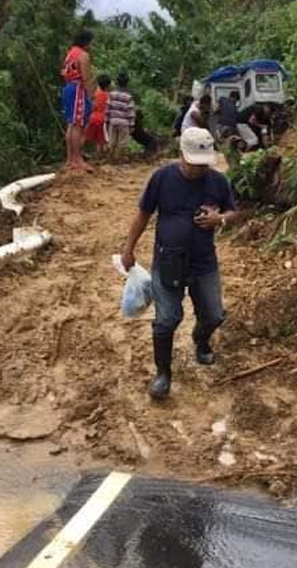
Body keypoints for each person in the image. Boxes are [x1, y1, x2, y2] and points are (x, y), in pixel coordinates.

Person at [122, 127, 238, 400]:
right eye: (192, 164)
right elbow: (143, 215)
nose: (197, 170)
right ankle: (163, 373)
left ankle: (201, 340)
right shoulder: (162, 179)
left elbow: (233, 212)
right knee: (167, 320)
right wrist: (128, 249)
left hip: (203, 262)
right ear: (180, 155)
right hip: (168, 261)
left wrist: (218, 219)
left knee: (213, 314)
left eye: (202, 165)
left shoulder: (218, 182)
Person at [60, 31, 95, 172]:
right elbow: (86, 78)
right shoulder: (83, 55)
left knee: (71, 124)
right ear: (86, 43)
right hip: (78, 89)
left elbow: (64, 73)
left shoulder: (70, 54)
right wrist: (91, 96)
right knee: (78, 125)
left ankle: (70, 159)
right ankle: (78, 159)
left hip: (68, 88)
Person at [106, 71, 136, 157]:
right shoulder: (128, 97)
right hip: (124, 122)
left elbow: (108, 108)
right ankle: (117, 158)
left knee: (112, 140)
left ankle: (110, 157)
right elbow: (131, 112)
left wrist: (107, 120)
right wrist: (132, 125)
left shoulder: (111, 94)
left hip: (113, 121)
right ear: (127, 83)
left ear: (117, 82)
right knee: (122, 142)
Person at [85, 73, 111, 155]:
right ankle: (103, 154)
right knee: (103, 139)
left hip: (93, 118)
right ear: (108, 85)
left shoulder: (95, 95)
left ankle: (96, 154)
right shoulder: (108, 96)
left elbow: (92, 106)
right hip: (103, 119)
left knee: (97, 139)